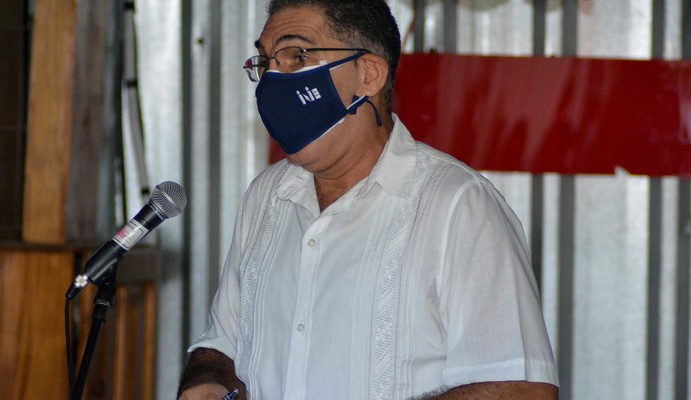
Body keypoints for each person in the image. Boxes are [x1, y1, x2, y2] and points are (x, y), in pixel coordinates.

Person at [178, 0, 559, 399]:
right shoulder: (266, 196)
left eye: (296, 55)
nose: (274, 76)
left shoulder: (458, 206)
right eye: (266, 60)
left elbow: (521, 390)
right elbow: (224, 345)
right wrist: (208, 379)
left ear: (369, 74)